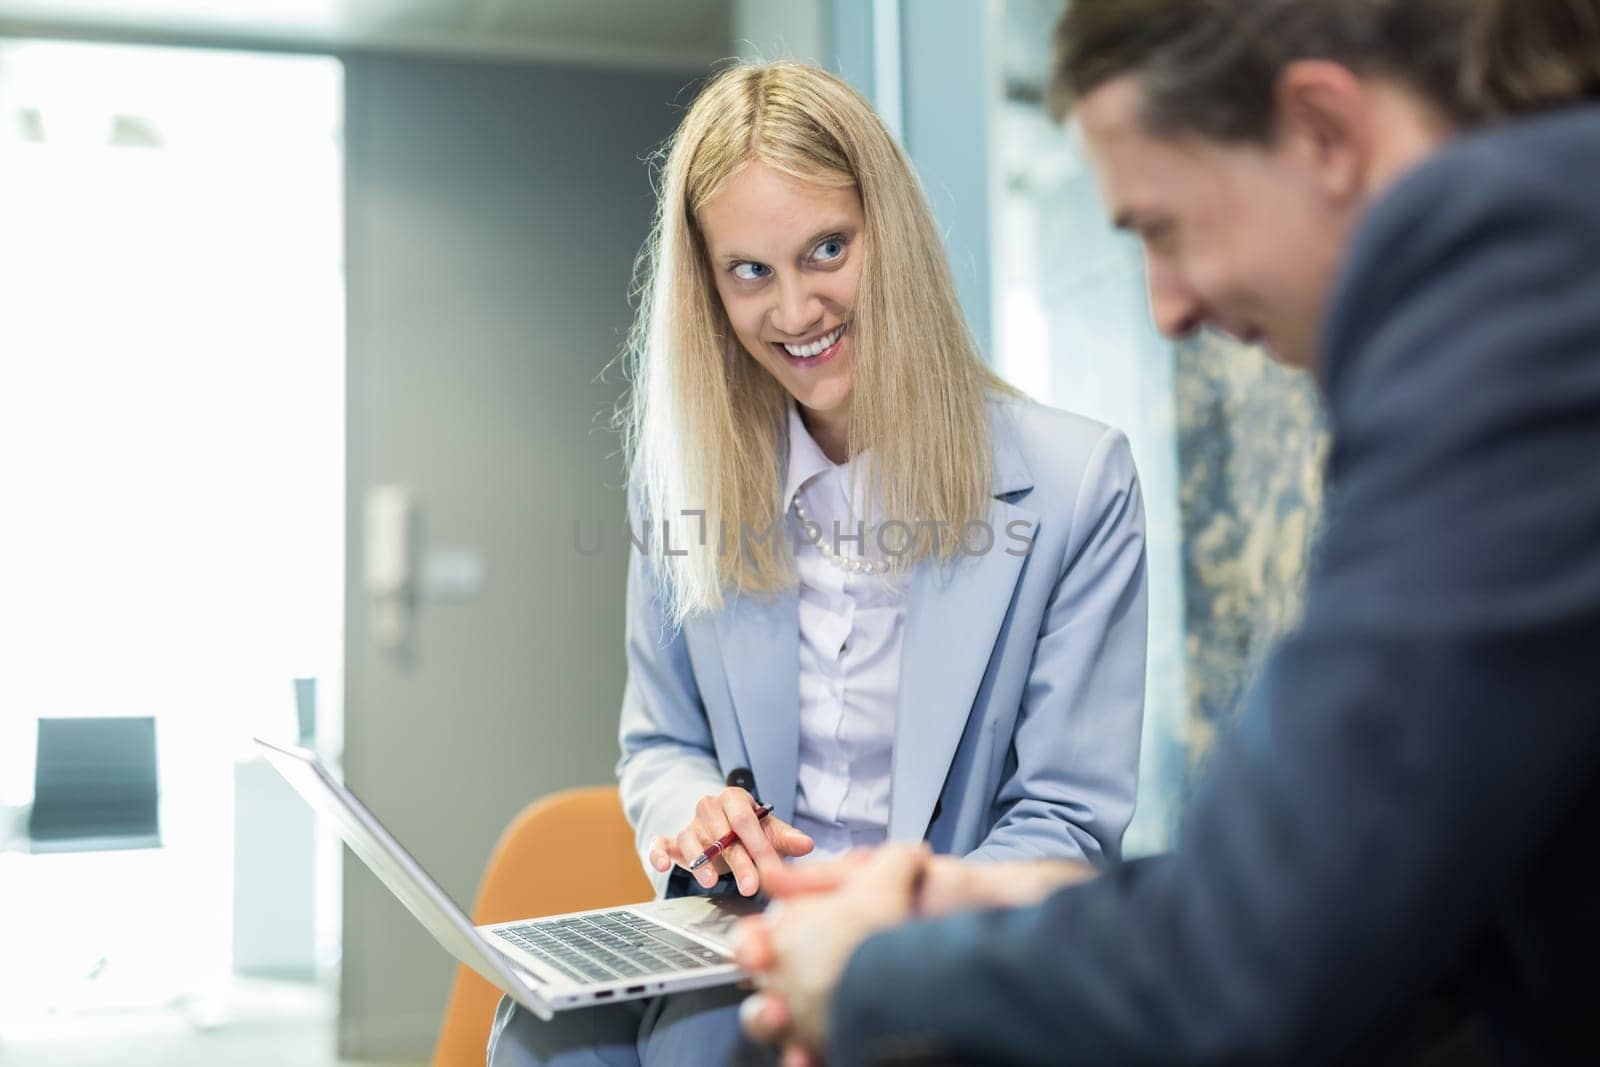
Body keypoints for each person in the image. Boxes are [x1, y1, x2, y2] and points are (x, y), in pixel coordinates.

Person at [737, 1, 1600, 1064]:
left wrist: (871, 975)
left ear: (1323, 130)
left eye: (1161, 228)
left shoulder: (1521, 295)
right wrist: (989, 903)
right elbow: (1385, 884)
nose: (1167, 309)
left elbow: (1252, 959)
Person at [487, 60, 1150, 1066]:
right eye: (749, 270)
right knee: (547, 1036)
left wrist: (884, 917)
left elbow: (1063, 821)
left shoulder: (1076, 483)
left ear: (892, 238)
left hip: (939, 937)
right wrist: (693, 814)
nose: (794, 310)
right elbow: (659, 743)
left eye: (826, 249)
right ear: (706, 287)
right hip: (742, 928)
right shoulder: (680, 483)